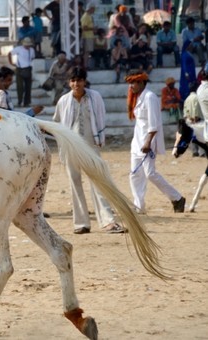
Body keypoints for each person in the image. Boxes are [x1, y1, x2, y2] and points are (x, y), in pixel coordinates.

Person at [53, 67, 124, 234]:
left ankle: (108, 221)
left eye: (79, 80)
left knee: (98, 182)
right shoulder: (64, 101)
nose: (76, 84)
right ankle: (81, 223)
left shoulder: (94, 97)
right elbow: (57, 122)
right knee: (75, 184)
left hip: (91, 146)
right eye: (73, 80)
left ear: (84, 81)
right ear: (69, 82)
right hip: (71, 148)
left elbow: (100, 117)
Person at [125, 71, 185, 214]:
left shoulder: (150, 97)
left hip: (147, 143)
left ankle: (177, 198)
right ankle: (139, 206)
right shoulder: (137, 98)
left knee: (150, 174)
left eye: (133, 83)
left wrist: (147, 143)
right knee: (134, 174)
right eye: (130, 83)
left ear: (141, 83)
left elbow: (154, 124)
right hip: (136, 142)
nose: (131, 86)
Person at [8, 37, 35, 107]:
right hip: (19, 69)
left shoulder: (31, 50)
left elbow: (32, 58)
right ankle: (20, 101)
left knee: (28, 87)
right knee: (20, 86)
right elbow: (9, 53)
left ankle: (27, 102)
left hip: (28, 68)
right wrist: (11, 63)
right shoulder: (19, 49)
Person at [182, 82, 205, 157]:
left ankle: (194, 151)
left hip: (189, 120)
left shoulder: (187, 98)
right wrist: (195, 118)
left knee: (192, 137)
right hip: (197, 120)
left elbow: (185, 111)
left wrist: (188, 118)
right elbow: (196, 108)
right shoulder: (197, 97)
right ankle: (201, 152)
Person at [80, 4, 96, 69]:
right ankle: (85, 65)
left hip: (89, 36)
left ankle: (85, 65)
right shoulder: (86, 16)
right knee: (86, 52)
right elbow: (84, 28)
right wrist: (93, 29)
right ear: (90, 8)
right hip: (87, 36)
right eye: (93, 9)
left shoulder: (89, 16)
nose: (94, 10)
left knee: (87, 52)